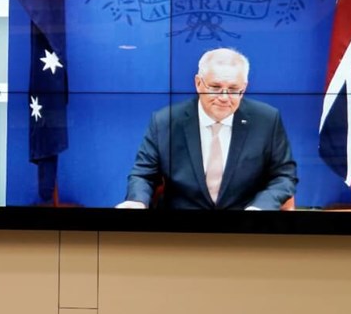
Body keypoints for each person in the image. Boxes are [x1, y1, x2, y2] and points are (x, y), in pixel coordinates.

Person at [118, 47, 297, 210]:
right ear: (198, 83)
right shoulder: (165, 121)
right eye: (215, 87)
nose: (224, 97)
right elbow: (144, 174)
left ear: (244, 88)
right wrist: (137, 201)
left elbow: (284, 175)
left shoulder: (266, 120)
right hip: (180, 227)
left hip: (245, 225)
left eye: (233, 89)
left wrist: (260, 208)